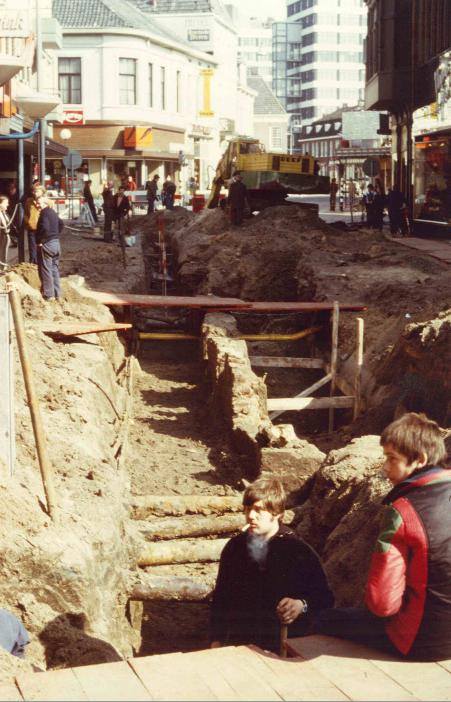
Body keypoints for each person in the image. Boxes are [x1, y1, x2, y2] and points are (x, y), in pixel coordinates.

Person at [314, 412, 451, 661]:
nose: (385, 467)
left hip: (421, 642)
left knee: (326, 617)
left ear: (419, 459)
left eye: (392, 459)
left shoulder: (403, 512)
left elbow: (382, 604)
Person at [210, 477, 334, 653]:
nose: (250, 516)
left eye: (258, 510)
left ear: (277, 513)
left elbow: (325, 599)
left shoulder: (299, 552)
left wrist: (300, 605)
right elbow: (221, 599)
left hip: (283, 649)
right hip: (239, 646)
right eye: (247, 509)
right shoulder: (235, 548)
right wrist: (216, 640)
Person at [36, 196, 64, 301]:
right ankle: (57, 294)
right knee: (54, 269)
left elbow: (45, 227)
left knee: (46, 269)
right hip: (56, 243)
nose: (37, 205)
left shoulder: (44, 213)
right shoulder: (53, 212)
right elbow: (61, 224)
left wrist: (40, 241)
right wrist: (55, 234)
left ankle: (49, 295)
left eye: (39, 203)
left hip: (47, 244)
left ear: (45, 204)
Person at [23, 185, 45, 264]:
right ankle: (32, 264)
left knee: (42, 248)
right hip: (32, 228)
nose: (34, 193)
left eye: (36, 191)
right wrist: (27, 221)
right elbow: (25, 213)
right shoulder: (29, 201)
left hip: (42, 229)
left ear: (42, 192)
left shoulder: (47, 201)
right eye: (34, 191)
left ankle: (41, 265)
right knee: (32, 249)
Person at [0, 195, 11, 270]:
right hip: (1, 237)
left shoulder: (4, 213)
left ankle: (3, 268)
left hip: (5, 237)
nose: (8, 204)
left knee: (4, 255)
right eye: (6, 203)